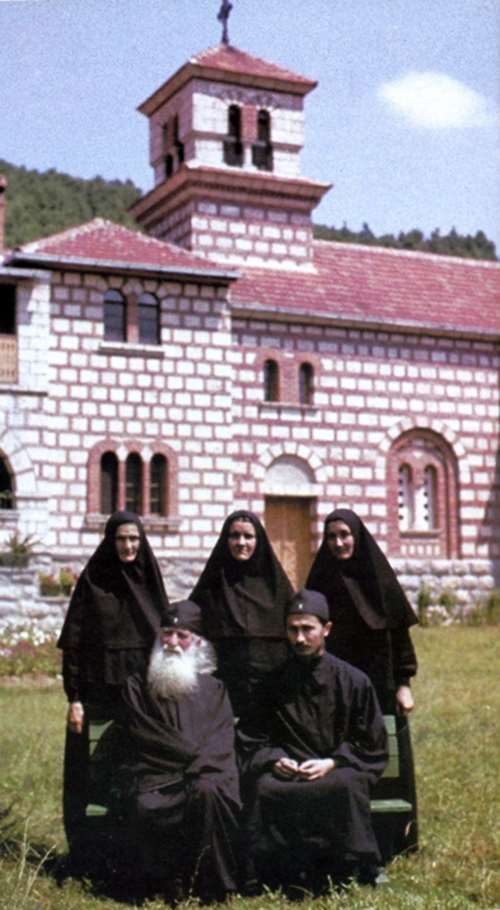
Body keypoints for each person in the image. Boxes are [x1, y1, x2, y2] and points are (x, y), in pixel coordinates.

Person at [237, 589, 388, 895]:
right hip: (289, 774)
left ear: (326, 629)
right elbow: (252, 738)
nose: (300, 638)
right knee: (264, 787)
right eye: (292, 629)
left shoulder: (353, 681)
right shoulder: (270, 683)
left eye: (308, 629)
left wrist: (332, 762)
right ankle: (271, 870)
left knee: (347, 785)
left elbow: (370, 742)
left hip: (335, 771)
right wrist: (274, 760)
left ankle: (349, 866)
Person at [306, 508, 419, 857]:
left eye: (344, 535)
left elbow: (399, 634)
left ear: (357, 536)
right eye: (331, 536)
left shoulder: (378, 577)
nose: (338, 542)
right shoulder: (321, 579)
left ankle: (393, 838)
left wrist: (404, 683)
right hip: (336, 688)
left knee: (383, 754)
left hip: (380, 683)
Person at [57, 510, 169, 848]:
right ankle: (89, 850)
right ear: (110, 541)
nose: (128, 546)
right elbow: (73, 644)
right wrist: (75, 698)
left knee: (137, 771)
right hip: (98, 697)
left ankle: (134, 847)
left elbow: (166, 641)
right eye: (121, 539)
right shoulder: (94, 581)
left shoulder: (149, 581)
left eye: (134, 539)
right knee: (93, 774)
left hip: (141, 699)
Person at [120, 600, 241, 903]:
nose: (172, 642)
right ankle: (163, 883)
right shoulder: (138, 686)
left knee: (207, 793)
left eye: (182, 635)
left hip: (203, 773)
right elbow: (143, 735)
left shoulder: (214, 689)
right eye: (167, 633)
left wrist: (198, 766)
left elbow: (221, 737)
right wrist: (188, 758)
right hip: (156, 774)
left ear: (197, 642)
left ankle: (208, 885)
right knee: (146, 802)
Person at [190, 510, 293, 715]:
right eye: (234, 535)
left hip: (270, 686)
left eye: (248, 536)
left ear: (259, 540)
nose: (241, 542)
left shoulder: (277, 587)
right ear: (225, 539)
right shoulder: (212, 583)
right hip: (225, 685)